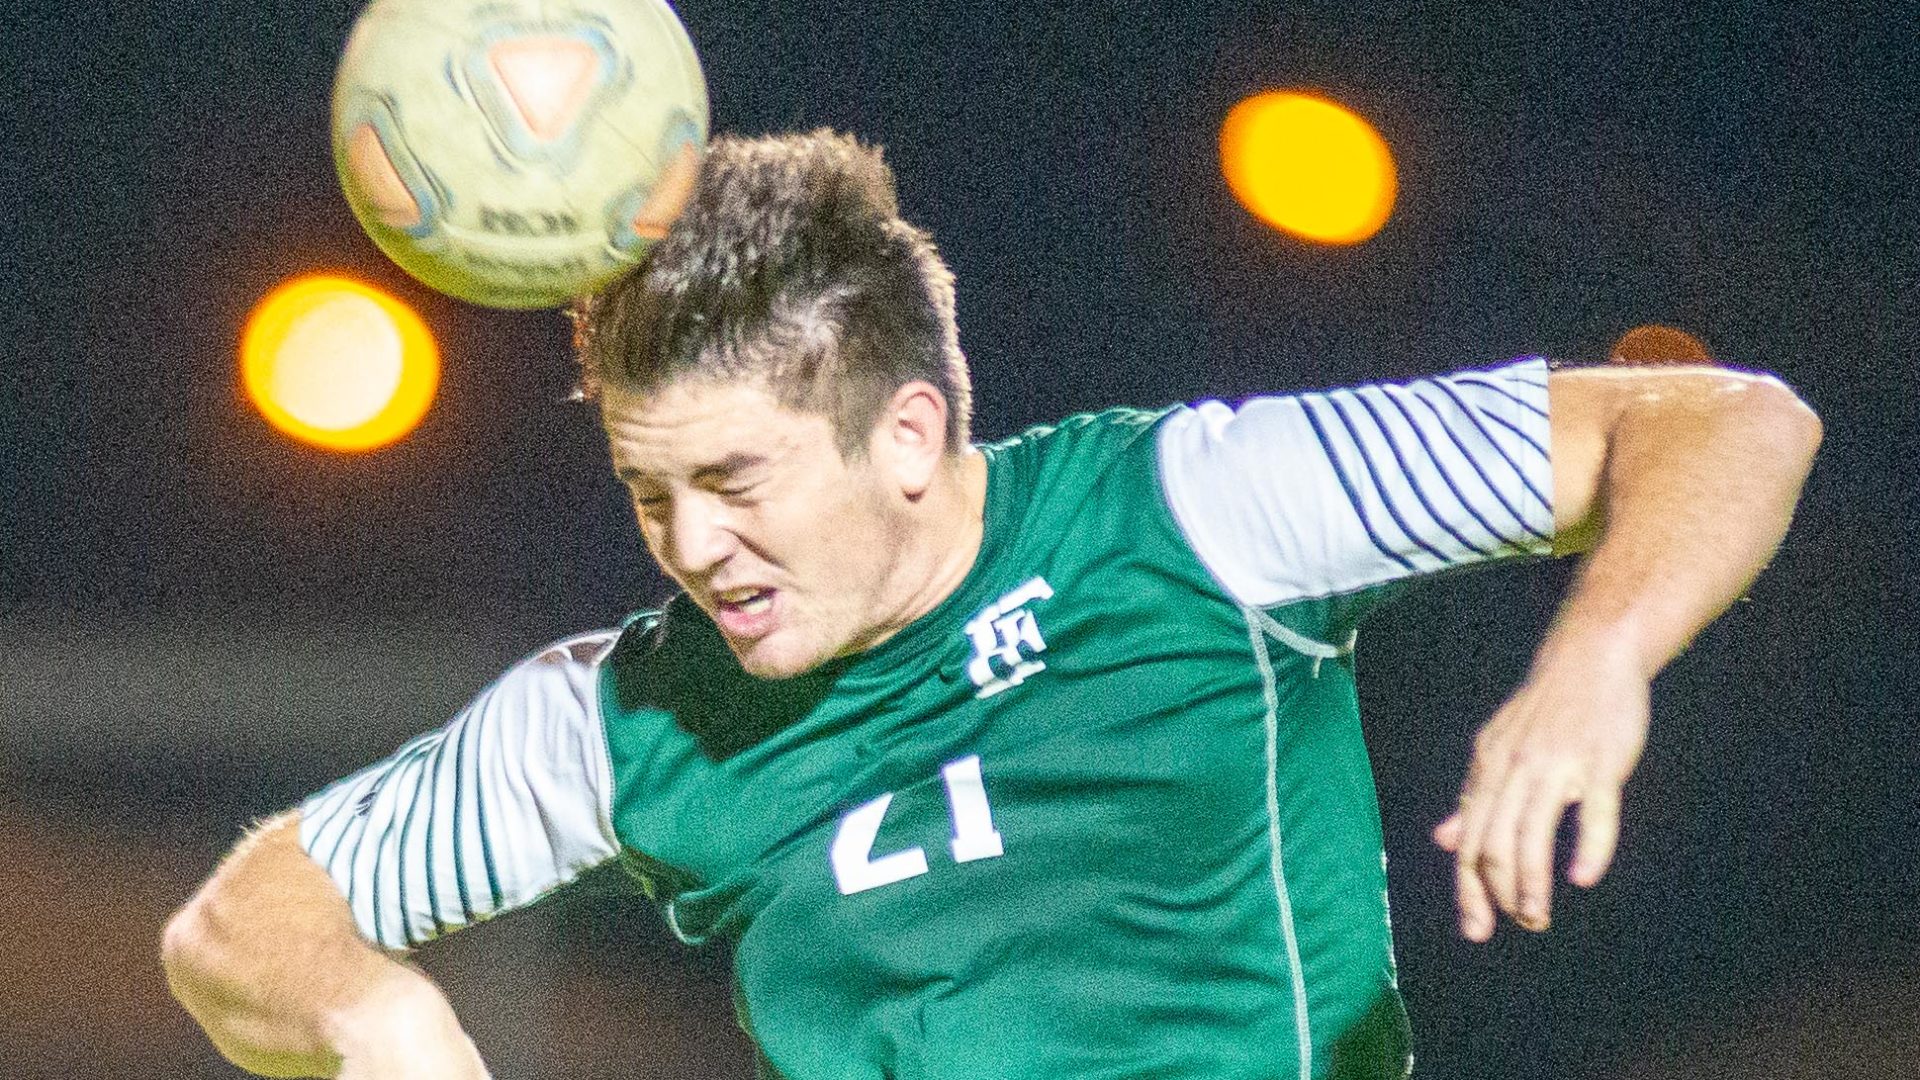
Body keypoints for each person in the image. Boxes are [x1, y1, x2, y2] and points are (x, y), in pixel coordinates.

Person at [160, 129, 1822, 1080]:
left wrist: (1598, 661)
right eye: (648, 495)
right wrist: (372, 1013)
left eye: (736, 483)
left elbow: (1731, 421)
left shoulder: (1194, 514)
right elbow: (234, 927)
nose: (692, 543)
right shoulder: (623, 721)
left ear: (909, 433)